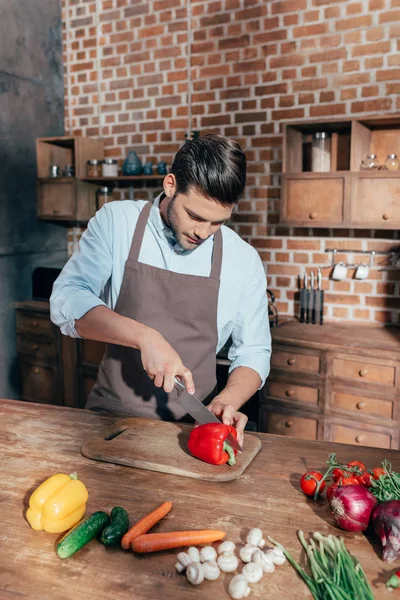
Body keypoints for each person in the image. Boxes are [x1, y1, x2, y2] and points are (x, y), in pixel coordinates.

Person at [50, 134, 271, 446]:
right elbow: (67, 299)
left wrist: (228, 400)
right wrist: (145, 337)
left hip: (197, 430)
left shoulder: (243, 259)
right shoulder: (118, 222)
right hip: (112, 422)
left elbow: (254, 351)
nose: (202, 232)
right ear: (170, 185)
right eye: (194, 216)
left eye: (217, 223)